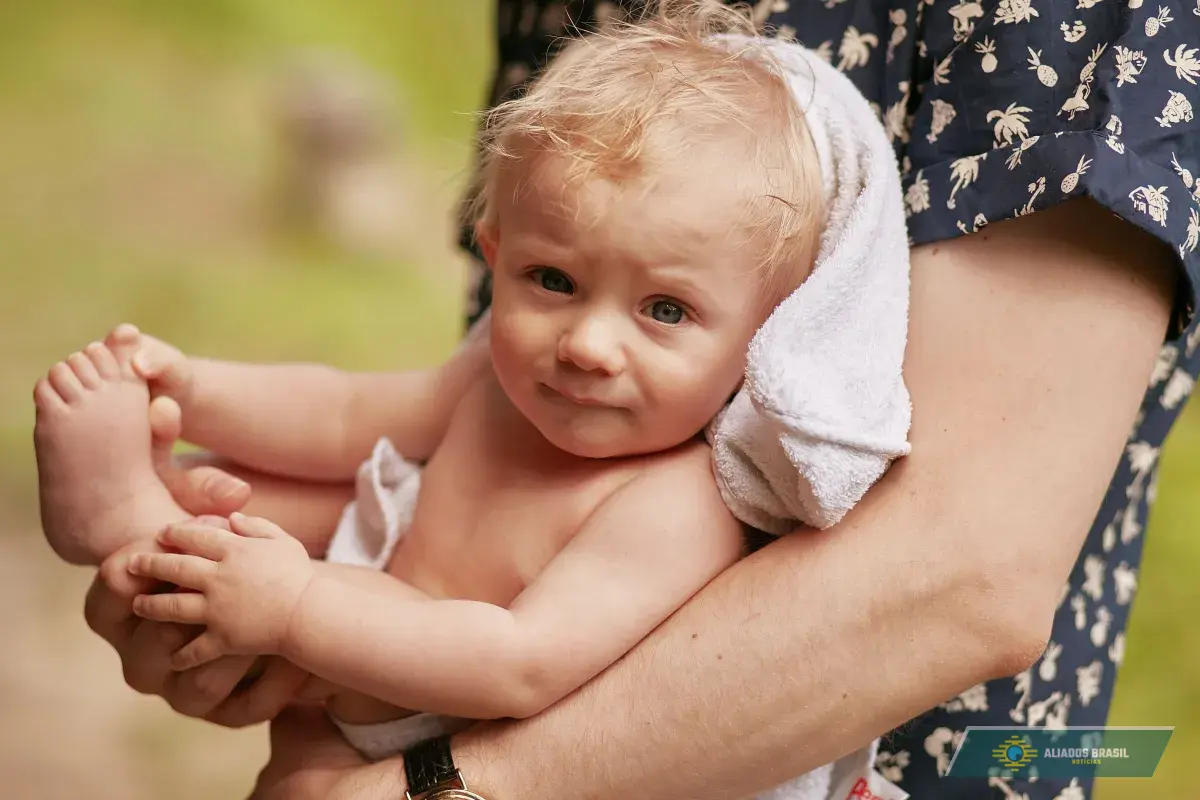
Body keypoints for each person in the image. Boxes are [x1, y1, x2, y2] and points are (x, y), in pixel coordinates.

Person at [78, 1, 1199, 799]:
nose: (589, 343)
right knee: (232, 565)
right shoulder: (502, 382)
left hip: (544, 738)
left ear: (771, 335)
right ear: (496, 247)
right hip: (372, 665)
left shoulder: (682, 502)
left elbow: (519, 659)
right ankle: (134, 510)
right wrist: (191, 387)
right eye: (552, 280)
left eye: (665, 311)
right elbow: (348, 413)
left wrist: (294, 610)